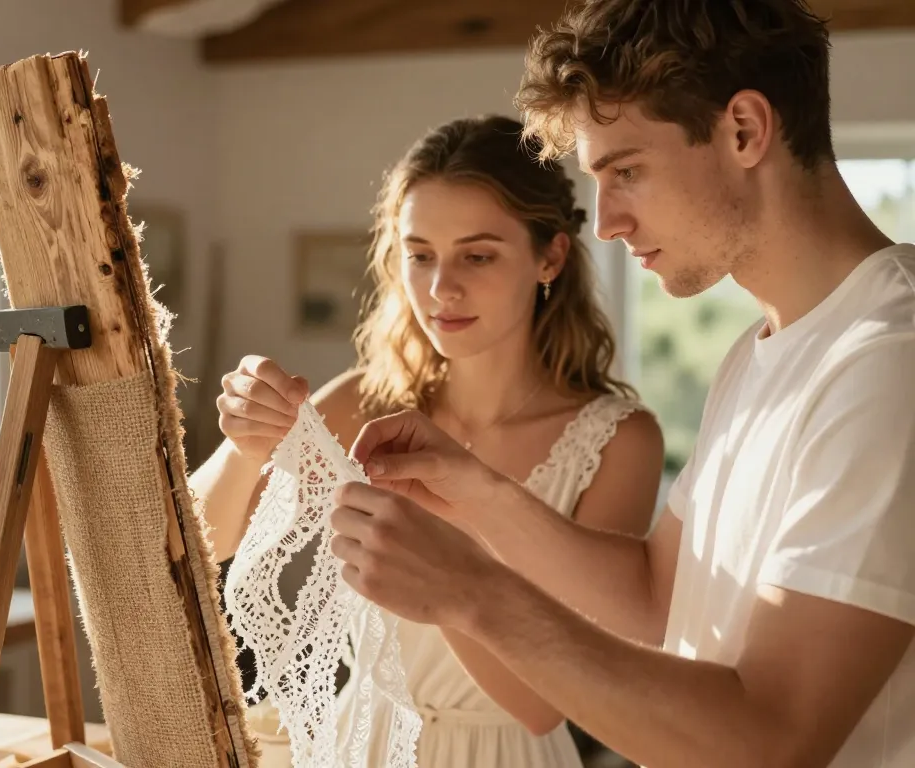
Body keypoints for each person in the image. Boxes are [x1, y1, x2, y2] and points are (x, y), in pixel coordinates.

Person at [327, 2, 915, 767]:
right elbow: (654, 595)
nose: (605, 223)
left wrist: (472, 592)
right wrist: (474, 492)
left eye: (627, 170)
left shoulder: (886, 361)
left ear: (744, 130)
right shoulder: (760, 351)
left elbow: (776, 740)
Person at [190, 114, 665, 767]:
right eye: (420, 255)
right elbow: (192, 547)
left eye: (477, 255)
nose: (441, 289)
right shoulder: (366, 402)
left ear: (550, 256)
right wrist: (243, 449)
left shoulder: (619, 442)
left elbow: (542, 706)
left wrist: (434, 557)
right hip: (361, 745)